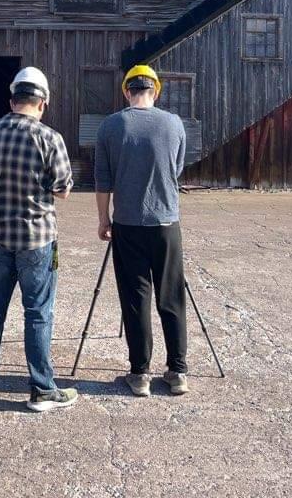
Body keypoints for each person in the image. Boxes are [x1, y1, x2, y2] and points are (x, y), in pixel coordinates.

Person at [0, 66, 78, 412]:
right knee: (37, 311)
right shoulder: (50, 139)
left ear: (12, 99)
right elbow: (62, 190)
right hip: (36, 238)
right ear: (42, 103)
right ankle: (43, 389)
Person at [94, 64, 189, 397]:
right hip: (166, 223)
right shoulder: (174, 124)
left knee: (136, 298)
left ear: (126, 91)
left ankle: (140, 373)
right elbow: (176, 168)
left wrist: (104, 219)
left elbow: (103, 180)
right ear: (156, 91)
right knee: (171, 296)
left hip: (128, 224)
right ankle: (177, 371)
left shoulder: (110, 126)